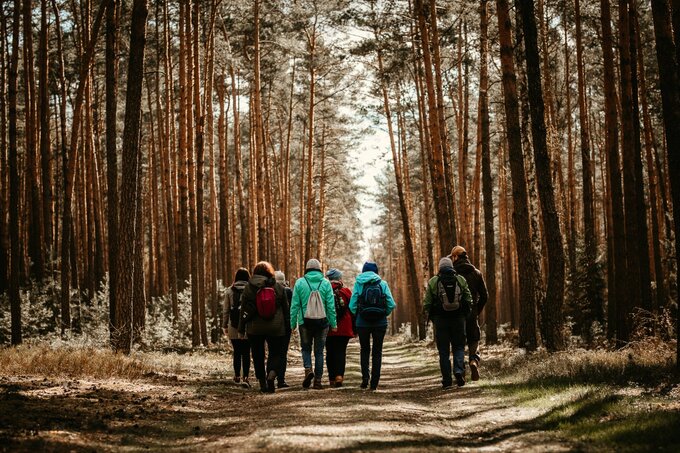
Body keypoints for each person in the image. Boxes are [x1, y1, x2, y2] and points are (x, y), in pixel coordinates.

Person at [238, 261, 288, 393]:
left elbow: (243, 309)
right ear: (270, 272)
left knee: (257, 354)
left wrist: (241, 329)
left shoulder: (249, 287)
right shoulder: (278, 287)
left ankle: (262, 383)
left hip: (255, 327)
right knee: (275, 352)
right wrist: (288, 326)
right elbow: (285, 309)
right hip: (275, 326)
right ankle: (271, 373)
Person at [423, 257, 473, 388]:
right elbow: (469, 298)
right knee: (459, 347)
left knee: (443, 351)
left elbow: (427, 303)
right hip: (458, 318)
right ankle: (458, 371)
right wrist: (465, 314)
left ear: (440, 268)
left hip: (440, 320)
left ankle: (446, 381)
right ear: (452, 267)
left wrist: (433, 317)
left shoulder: (433, 281)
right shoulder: (460, 279)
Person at [290, 259, 337, 390]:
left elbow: (294, 306)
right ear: (319, 269)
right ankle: (317, 381)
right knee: (319, 352)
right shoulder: (326, 283)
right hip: (322, 322)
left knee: (305, 348)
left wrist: (292, 323)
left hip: (304, 322)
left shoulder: (300, 283)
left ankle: (308, 369)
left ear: (307, 269)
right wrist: (333, 323)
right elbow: (330, 306)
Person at [349, 261, 396, 390]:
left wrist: (358, 315)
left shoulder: (359, 283)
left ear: (363, 271)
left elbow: (352, 305)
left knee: (364, 350)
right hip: (380, 323)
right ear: (376, 272)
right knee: (377, 352)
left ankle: (365, 379)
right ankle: (374, 383)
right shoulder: (382, 284)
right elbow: (391, 304)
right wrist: (383, 314)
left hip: (362, 323)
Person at [451, 246, 488, 381]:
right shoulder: (476, 272)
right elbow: (485, 296)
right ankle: (473, 360)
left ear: (456, 257)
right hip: (472, 311)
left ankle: (460, 370)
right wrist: (477, 310)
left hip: (456, 313)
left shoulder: (452, 273)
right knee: (474, 338)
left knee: (458, 342)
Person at [324, 268, 354, 388]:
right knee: (341, 352)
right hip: (344, 327)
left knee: (330, 352)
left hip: (328, 327)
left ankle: (331, 378)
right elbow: (352, 310)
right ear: (339, 279)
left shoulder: (324, 290)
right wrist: (355, 328)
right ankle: (339, 376)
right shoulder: (346, 291)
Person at [223, 267, 252, 388]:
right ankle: (246, 376)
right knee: (246, 352)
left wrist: (224, 325)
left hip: (233, 326)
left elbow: (226, 311)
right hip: (248, 325)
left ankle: (236, 376)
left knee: (237, 351)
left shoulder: (230, 290)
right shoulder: (251, 290)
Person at [275, 270, 293, 388]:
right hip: (285, 326)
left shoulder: (269, 290)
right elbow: (292, 307)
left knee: (273, 352)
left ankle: (270, 374)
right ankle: (281, 379)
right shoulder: (288, 291)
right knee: (282, 353)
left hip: (271, 326)